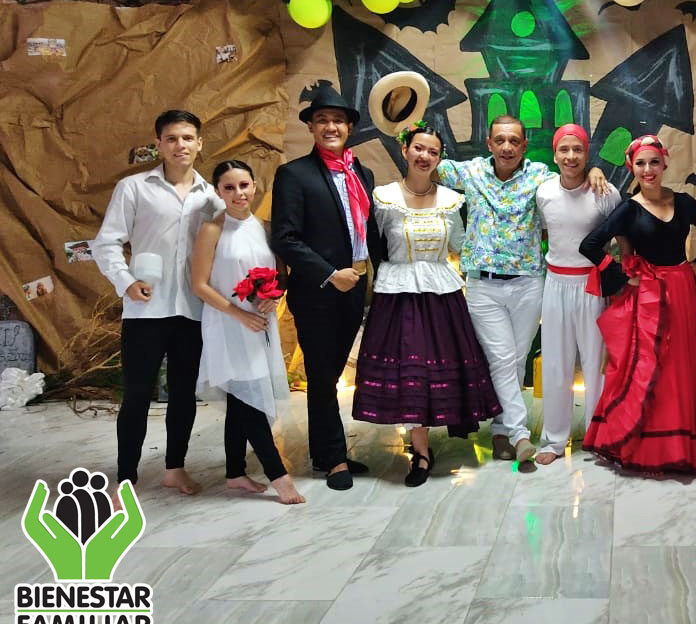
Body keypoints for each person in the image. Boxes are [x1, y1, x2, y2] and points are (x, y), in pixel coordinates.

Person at [434, 115, 607, 464]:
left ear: (525, 146)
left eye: (514, 141)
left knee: (515, 358)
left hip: (528, 282)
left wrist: (595, 171)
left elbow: (571, 174)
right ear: (489, 143)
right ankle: (519, 433)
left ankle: (501, 431)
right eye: (500, 140)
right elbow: (430, 166)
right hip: (482, 284)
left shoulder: (540, 177)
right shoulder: (470, 172)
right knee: (501, 358)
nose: (507, 147)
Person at [350, 123, 502, 487]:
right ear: (405, 150)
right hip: (398, 294)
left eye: (433, 152)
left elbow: (462, 245)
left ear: (439, 158)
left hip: (441, 295)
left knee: (436, 369)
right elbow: (370, 243)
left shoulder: (450, 200)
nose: (425, 156)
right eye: (419, 148)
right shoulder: (384, 197)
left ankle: (427, 438)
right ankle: (420, 449)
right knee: (410, 368)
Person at [91, 109, 223, 497]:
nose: (180, 145)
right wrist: (126, 282)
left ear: (200, 143)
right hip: (145, 310)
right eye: (171, 138)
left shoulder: (212, 197)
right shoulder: (133, 188)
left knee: (183, 394)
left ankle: (175, 469)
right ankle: (124, 479)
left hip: (192, 310)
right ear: (158, 145)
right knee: (136, 394)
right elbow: (106, 242)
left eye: (188, 138)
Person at [578, 134, 696, 472]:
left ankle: (680, 442)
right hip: (648, 294)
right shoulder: (629, 208)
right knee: (649, 365)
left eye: (654, 162)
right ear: (632, 167)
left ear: (665, 163)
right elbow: (590, 245)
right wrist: (622, 277)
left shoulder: (683, 201)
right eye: (641, 163)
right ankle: (644, 443)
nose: (648, 169)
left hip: (681, 288)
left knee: (681, 362)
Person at [270, 84, 383, 491]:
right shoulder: (294, 174)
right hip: (318, 289)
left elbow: (369, 231)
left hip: (354, 286)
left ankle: (323, 451)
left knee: (331, 373)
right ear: (312, 128)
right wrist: (330, 273)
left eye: (337, 120)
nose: (330, 127)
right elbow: (285, 238)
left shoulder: (361, 173)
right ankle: (334, 459)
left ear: (350, 127)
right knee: (321, 374)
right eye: (322, 120)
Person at [191, 160, 304, 504]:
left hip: (259, 324)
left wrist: (272, 296)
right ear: (218, 192)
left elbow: (278, 275)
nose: (238, 193)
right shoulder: (212, 230)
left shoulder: (264, 228)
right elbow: (199, 284)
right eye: (229, 187)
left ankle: (235, 473)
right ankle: (279, 476)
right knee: (250, 398)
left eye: (244, 185)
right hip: (228, 324)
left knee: (242, 398)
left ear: (254, 186)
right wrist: (239, 314)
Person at [533, 124, 622, 465]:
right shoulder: (543, 192)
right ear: (555, 155)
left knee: (596, 363)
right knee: (556, 363)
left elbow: (621, 236)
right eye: (564, 150)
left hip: (592, 285)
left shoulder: (606, 192)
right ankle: (554, 439)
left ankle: (598, 436)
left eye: (578, 150)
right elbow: (546, 232)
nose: (571, 156)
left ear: (587, 153)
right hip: (556, 284)